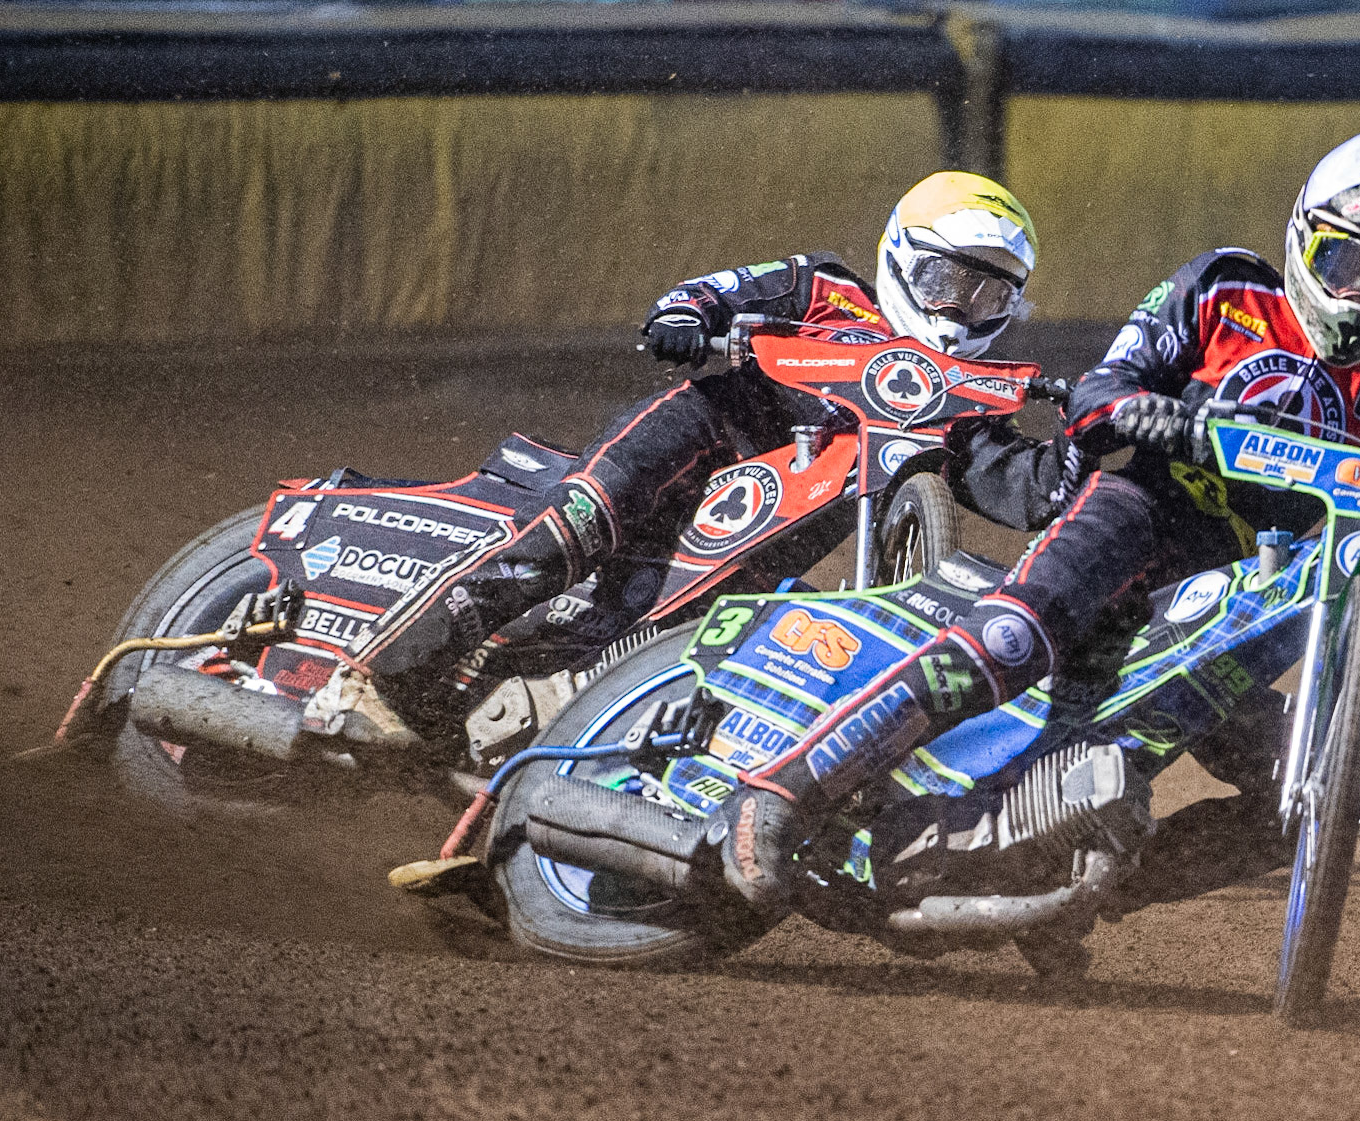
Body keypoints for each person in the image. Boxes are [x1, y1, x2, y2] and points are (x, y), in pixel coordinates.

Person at [715, 133, 1360, 914]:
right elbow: (1101, 393)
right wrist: (1146, 416)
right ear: (1304, 240)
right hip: (1140, 516)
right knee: (1010, 634)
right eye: (1349, 264)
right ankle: (785, 790)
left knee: (1320, 793)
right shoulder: (1224, 291)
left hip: (1243, 593)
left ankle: (1053, 894)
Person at [331, 171, 1068, 733]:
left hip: (757, 547)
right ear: (903, 256)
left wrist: (1092, 439)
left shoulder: (961, 405)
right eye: (946, 281)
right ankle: (374, 676)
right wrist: (687, 315)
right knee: (570, 529)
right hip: (707, 430)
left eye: (987, 297)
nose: (958, 311)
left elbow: (1030, 488)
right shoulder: (827, 289)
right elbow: (716, 292)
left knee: (738, 651)